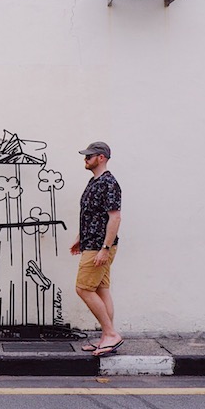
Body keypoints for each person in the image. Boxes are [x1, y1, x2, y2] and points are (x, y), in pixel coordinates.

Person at [69, 141, 123, 356]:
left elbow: (114, 217)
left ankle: (110, 334)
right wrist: (80, 237)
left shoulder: (108, 183)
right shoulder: (94, 182)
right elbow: (91, 215)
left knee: (83, 288)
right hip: (91, 244)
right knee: (101, 290)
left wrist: (105, 248)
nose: (85, 159)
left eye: (89, 156)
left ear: (101, 157)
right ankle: (106, 338)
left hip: (99, 247)